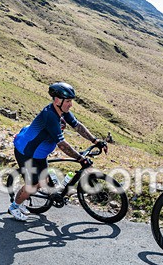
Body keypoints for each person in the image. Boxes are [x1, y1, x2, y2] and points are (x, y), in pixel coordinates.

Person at [8, 82, 107, 221]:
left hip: (39, 154)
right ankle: (14, 207)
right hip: (27, 152)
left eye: (71, 101)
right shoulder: (50, 115)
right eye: (68, 101)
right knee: (33, 185)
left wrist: (95, 141)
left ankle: (24, 202)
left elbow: (77, 126)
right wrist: (80, 158)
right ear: (57, 100)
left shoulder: (62, 112)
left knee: (43, 182)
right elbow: (62, 144)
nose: (70, 104)